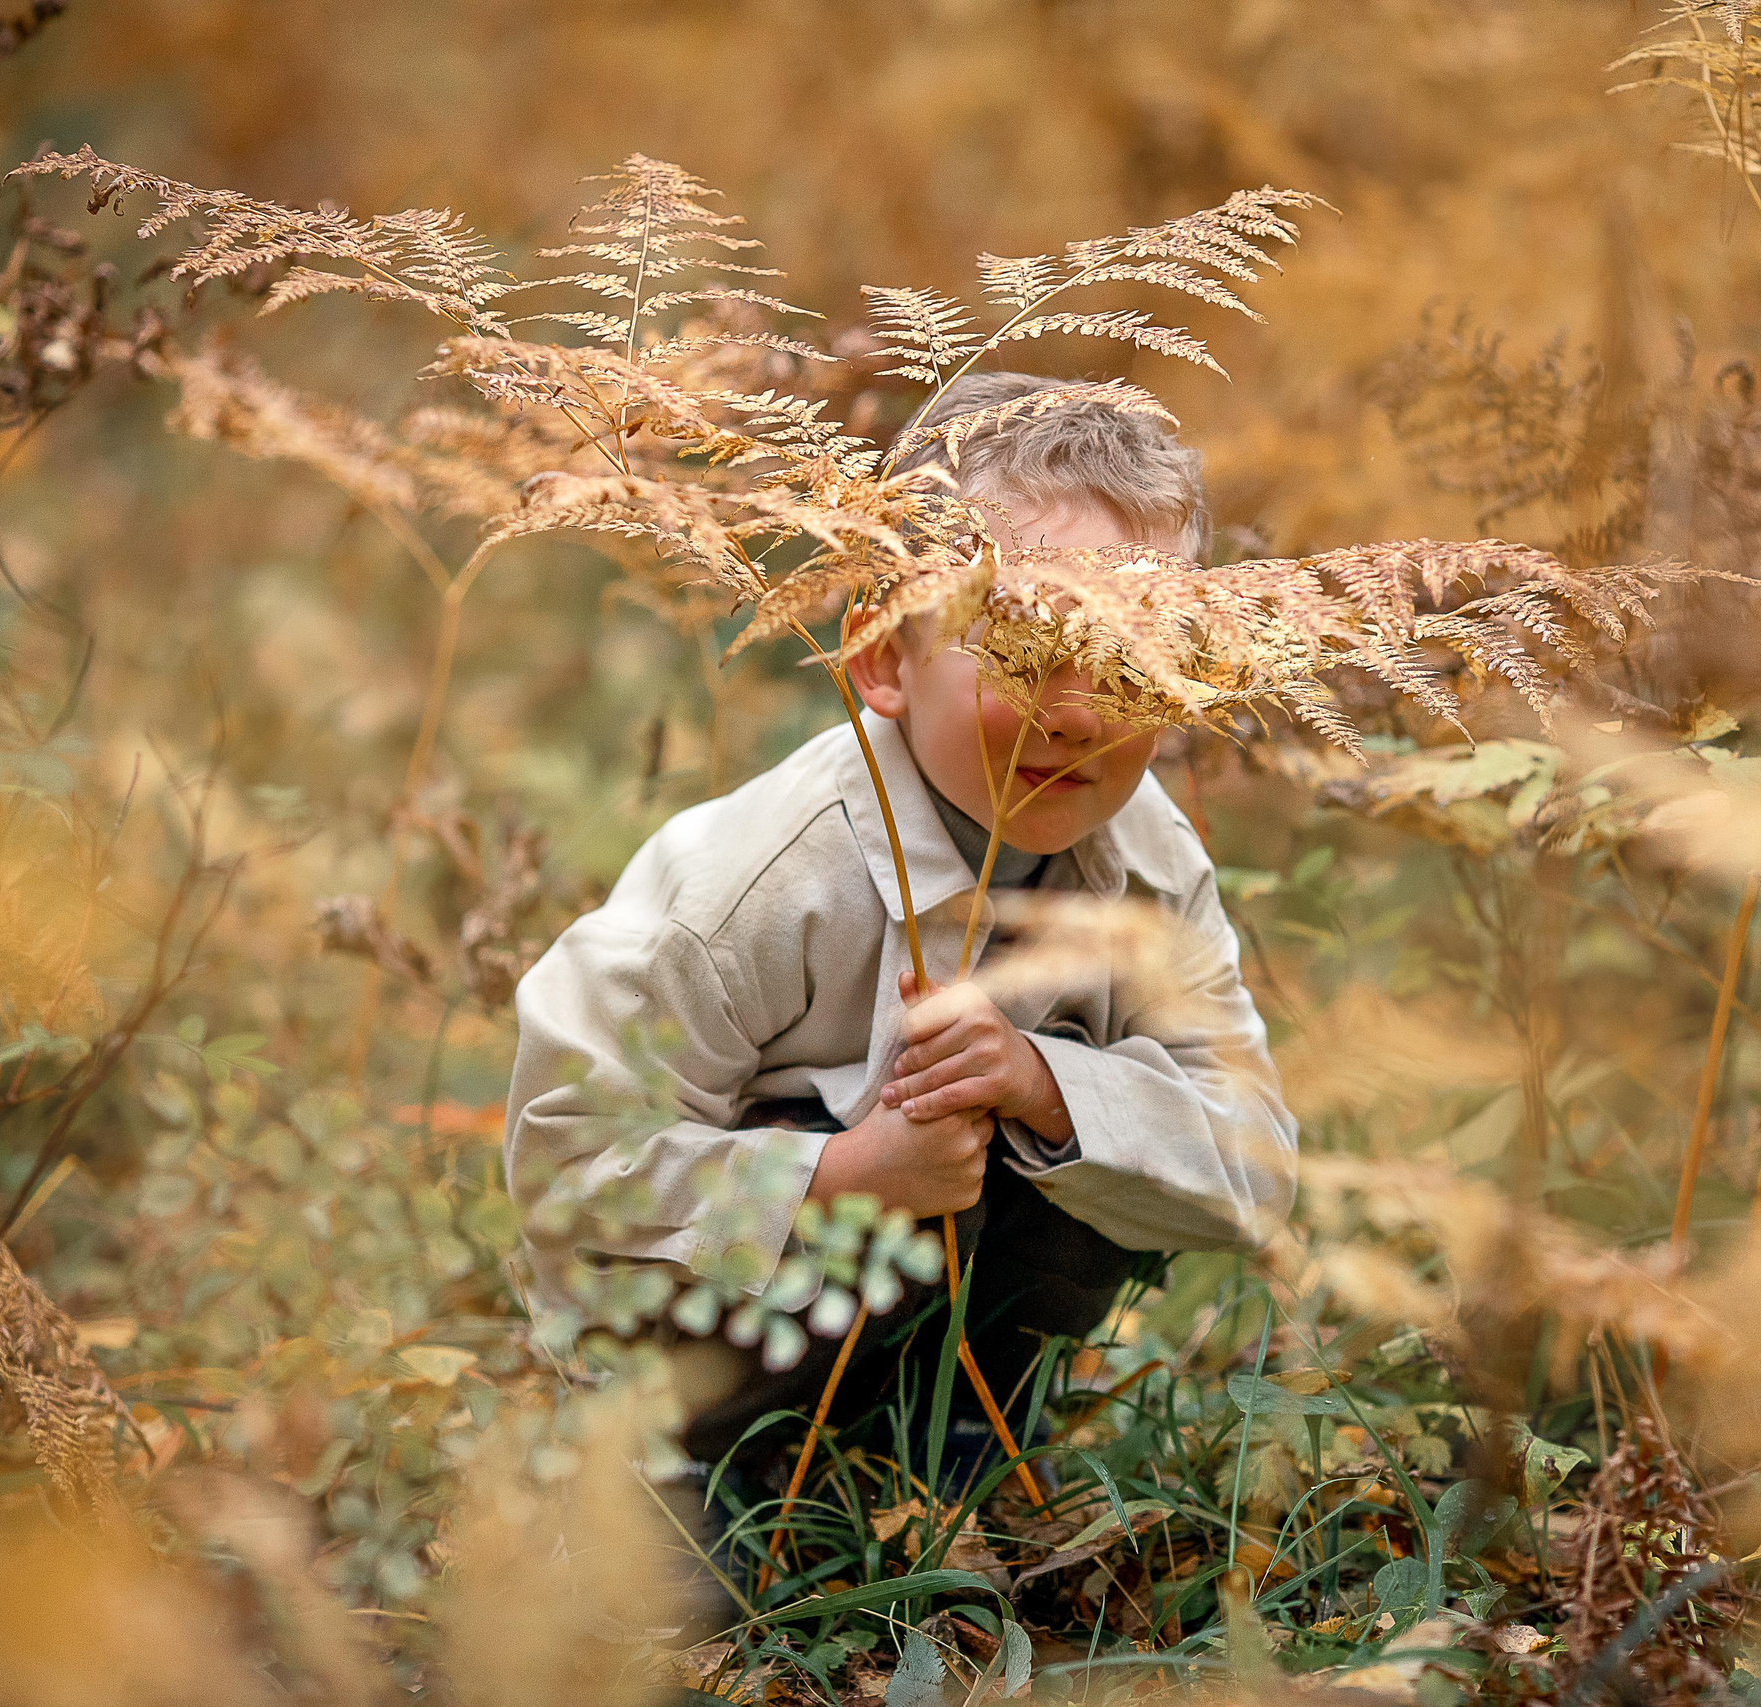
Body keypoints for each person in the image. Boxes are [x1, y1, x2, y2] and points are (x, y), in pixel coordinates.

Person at [501, 371, 1298, 1514]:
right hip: (697, 1357)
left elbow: (1255, 1163)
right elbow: (569, 1163)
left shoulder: (1151, 865)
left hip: (947, 1315)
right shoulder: (759, 885)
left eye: (1133, 652)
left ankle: (954, 1445)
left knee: (1073, 1120)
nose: (1080, 711)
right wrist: (839, 1179)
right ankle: (703, 1475)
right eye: (1028, 643)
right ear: (882, 652)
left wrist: (1049, 1088)